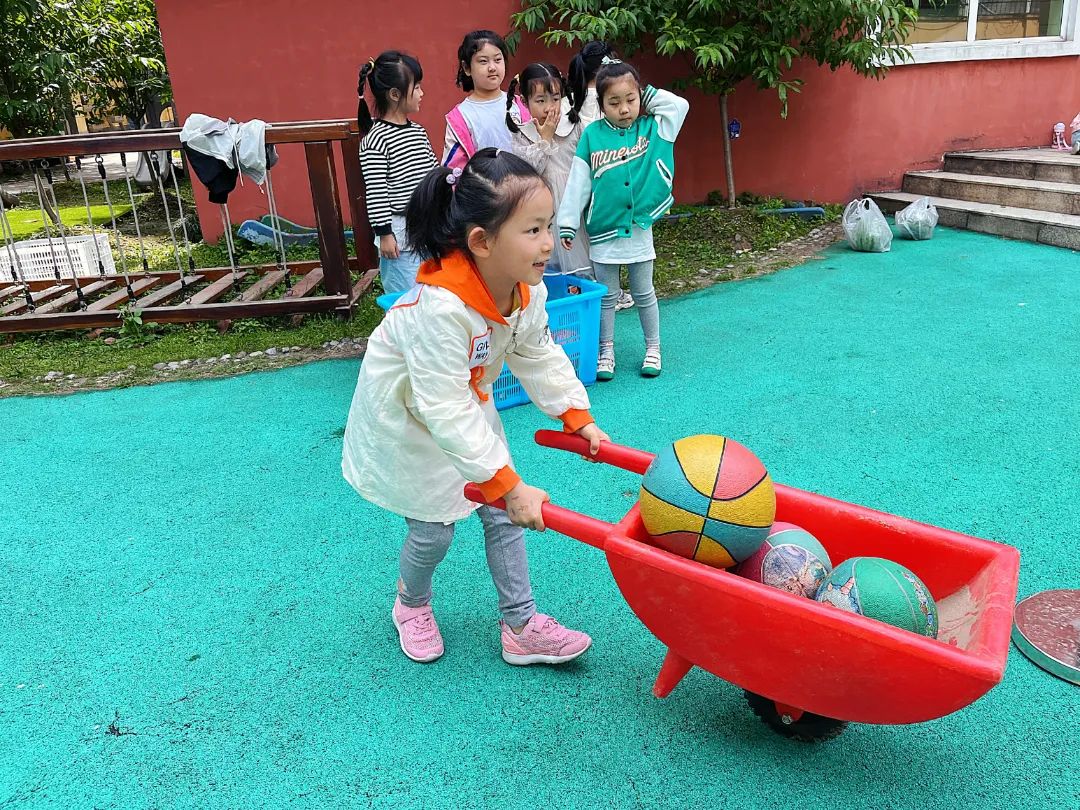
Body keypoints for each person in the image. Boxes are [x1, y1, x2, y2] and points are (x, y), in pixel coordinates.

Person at [342, 148, 609, 666]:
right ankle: (410, 603)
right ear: (482, 242)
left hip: (463, 400)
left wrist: (573, 414)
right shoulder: (440, 308)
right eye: (532, 231)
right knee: (433, 528)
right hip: (410, 414)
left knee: (503, 514)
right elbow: (438, 405)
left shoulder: (523, 292)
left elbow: (538, 353)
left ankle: (520, 623)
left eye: (548, 226)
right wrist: (507, 483)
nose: (548, 244)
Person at [558, 59, 689, 381]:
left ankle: (653, 348)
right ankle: (606, 352)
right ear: (600, 105)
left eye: (631, 99)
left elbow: (679, 105)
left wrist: (645, 95)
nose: (624, 108)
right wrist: (568, 222)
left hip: (640, 227)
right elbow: (578, 182)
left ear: (641, 97)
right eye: (613, 102)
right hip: (604, 230)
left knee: (645, 292)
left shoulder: (655, 127)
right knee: (607, 296)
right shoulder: (592, 136)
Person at [357, 51, 438, 293]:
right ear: (395, 94)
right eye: (417, 87)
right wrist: (384, 234)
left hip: (425, 229)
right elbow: (376, 191)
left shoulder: (418, 131)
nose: (422, 93)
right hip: (399, 236)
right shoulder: (376, 139)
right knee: (404, 297)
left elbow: (433, 173)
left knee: (430, 293)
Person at [507, 63, 591, 278]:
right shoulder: (521, 134)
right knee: (547, 261)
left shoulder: (575, 126)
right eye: (540, 100)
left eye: (555, 99)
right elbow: (528, 173)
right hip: (543, 209)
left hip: (574, 204)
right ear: (525, 102)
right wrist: (545, 138)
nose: (549, 107)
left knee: (582, 261)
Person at [566, 41, 633, 306]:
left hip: (576, 175)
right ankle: (609, 292)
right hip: (606, 174)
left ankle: (600, 290)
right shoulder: (605, 98)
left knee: (583, 237)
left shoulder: (573, 97)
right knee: (608, 240)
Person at [442, 30, 528, 170]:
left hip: (524, 189)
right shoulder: (461, 118)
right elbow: (453, 172)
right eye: (483, 61)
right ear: (467, 68)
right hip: (482, 190)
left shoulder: (520, 105)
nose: (492, 67)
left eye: (497, 60)